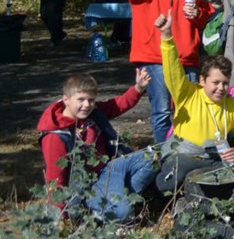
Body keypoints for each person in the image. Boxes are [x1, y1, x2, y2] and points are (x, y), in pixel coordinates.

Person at [110, 0, 209, 143]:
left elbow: (206, 18)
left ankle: (188, 155)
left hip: (186, 58)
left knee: (190, 110)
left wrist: (198, 13)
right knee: (162, 111)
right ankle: (163, 158)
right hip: (154, 57)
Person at [152, 14, 234, 194]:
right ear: (202, 80)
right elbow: (173, 71)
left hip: (216, 158)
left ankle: (211, 188)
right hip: (188, 156)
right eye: (215, 83)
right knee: (176, 171)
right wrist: (167, 37)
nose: (221, 88)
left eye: (225, 83)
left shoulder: (231, 105)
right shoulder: (187, 94)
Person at [39, 70, 154, 221]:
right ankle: (95, 209)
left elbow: (116, 106)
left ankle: (121, 197)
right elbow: (55, 179)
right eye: (80, 99)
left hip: (109, 167)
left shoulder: (92, 112)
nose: (86, 105)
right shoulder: (56, 136)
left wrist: (138, 88)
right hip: (87, 184)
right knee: (123, 214)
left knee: (153, 157)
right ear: (65, 99)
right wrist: (60, 217)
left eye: (91, 100)